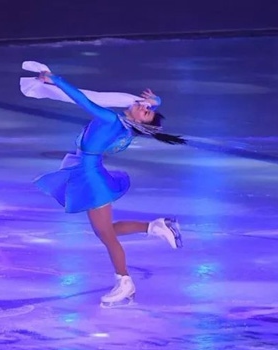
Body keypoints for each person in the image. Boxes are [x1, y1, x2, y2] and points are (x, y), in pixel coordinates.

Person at [24, 66, 185, 307]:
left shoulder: (110, 120)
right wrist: (156, 101)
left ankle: (124, 281)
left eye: (146, 112)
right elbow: (141, 108)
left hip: (90, 178)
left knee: (107, 236)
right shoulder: (124, 127)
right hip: (89, 172)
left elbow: (83, 100)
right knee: (106, 231)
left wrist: (55, 79)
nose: (144, 107)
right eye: (147, 109)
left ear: (139, 123)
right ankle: (156, 226)